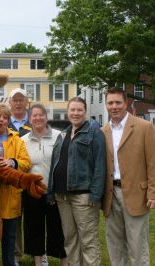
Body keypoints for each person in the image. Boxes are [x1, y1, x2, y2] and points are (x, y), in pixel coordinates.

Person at [102, 87, 155, 266]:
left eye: (118, 102)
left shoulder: (145, 128)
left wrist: (154, 193)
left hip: (137, 194)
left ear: (126, 103)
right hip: (110, 196)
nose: (114, 106)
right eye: (110, 103)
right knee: (115, 246)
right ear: (106, 105)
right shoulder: (103, 131)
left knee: (137, 246)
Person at [47, 97, 106, 265]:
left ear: (85, 112)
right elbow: (54, 164)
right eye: (72, 110)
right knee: (70, 239)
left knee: (88, 241)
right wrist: (51, 192)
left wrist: (95, 195)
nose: (75, 113)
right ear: (68, 111)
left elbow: (100, 166)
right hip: (61, 197)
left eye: (79, 110)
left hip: (83, 197)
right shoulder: (63, 134)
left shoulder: (95, 133)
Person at [21, 104, 67, 266]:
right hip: (33, 193)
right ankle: (38, 261)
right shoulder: (23, 140)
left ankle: (64, 261)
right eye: (34, 115)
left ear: (46, 117)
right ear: (30, 119)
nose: (38, 118)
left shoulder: (59, 136)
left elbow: (63, 164)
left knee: (58, 228)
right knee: (34, 228)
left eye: (41, 115)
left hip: (53, 192)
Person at [0, 103, 31, 266]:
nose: (1, 120)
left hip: (10, 195)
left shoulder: (16, 139)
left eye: (5, 117)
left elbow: (26, 163)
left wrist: (12, 162)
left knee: (9, 238)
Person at [7, 88, 33, 265]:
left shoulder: (35, 122)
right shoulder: (2, 123)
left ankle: (36, 252)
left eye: (21, 100)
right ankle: (15, 255)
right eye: (14, 100)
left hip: (31, 178)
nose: (18, 103)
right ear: (9, 103)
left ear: (26, 102)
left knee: (32, 219)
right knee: (13, 220)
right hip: (11, 182)